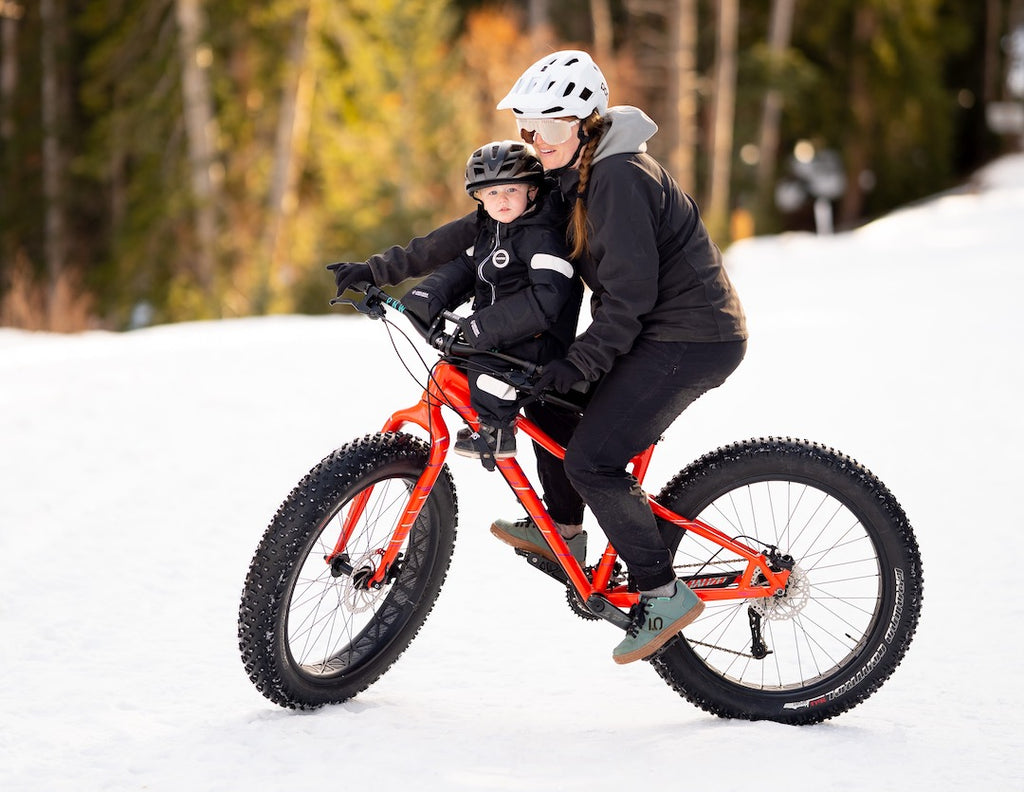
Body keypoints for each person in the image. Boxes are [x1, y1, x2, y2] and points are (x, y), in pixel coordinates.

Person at [329, 50, 747, 665]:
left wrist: (577, 363)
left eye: (546, 126)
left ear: (583, 121)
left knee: (594, 460)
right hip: (647, 332)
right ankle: (567, 535)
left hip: (690, 337)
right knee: (546, 401)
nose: (534, 139)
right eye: (527, 127)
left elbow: (631, 298)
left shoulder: (619, 176)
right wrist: (381, 270)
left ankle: (662, 592)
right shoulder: (570, 175)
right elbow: (475, 233)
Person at [332, 139, 577, 463]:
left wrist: (482, 326)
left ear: (532, 191)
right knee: (454, 364)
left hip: (538, 342)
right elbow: (444, 255)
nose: (501, 200)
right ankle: (489, 421)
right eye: (492, 193)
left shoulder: (542, 235)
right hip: (500, 336)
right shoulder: (490, 228)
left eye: (511, 191)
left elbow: (548, 298)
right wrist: (418, 294)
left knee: (488, 373)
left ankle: (497, 433)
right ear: (479, 196)